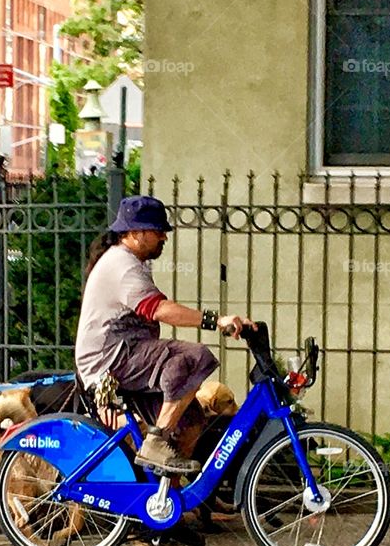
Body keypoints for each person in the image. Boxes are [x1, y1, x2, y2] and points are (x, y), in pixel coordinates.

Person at [75, 195, 255, 474]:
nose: (163, 238)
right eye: (158, 231)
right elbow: (158, 309)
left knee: (191, 419)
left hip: (125, 354)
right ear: (135, 233)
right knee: (195, 357)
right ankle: (154, 445)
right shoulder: (121, 265)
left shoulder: (129, 261)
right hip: (111, 359)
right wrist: (217, 321)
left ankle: (164, 503)